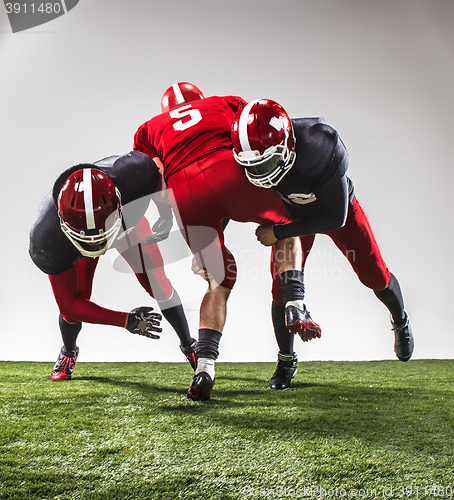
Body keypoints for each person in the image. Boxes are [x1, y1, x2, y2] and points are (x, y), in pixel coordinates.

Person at [134, 83, 308, 401]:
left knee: (219, 282)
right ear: (200, 100)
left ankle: (204, 369)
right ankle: (295, 302)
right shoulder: (222, 103)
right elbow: (249, 133)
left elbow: (154, 178)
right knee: (287, 224)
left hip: (185, 194)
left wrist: (166, 217)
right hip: (229, 171)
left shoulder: (148, 129)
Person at [231, 99, 414, 390]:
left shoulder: (320, 144)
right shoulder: (248, 157)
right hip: (290, 213)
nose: (262, 172)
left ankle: (400, 319)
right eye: (255, 164)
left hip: (335, 211)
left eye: (267, 161)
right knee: (281, 290)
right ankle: (286, 358)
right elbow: (226, 199)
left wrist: (279, 233)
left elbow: (335, 217)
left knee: (374, 274)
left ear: (288, 144)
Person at [29, 151, 196, 381]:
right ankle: (68, 350)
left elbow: (158, 170)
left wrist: (165, 212)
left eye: (101, 237)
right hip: (79, 243)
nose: (98, 244)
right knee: (78, 299)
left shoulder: (134, 175)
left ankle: (189, 346)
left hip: (122, 228)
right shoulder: (48, 239)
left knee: (159, 284)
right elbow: (69, 306)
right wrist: (126, 320)